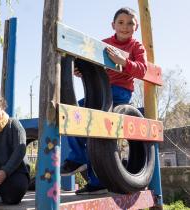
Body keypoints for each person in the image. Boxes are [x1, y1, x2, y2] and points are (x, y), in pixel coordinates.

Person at [61, 7, 147, 195]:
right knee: (75, 112)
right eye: (121, 22)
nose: (125, 27)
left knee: (94, 122)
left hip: (119, 93)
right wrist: (80, 70)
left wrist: (124, 62)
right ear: (113, 25)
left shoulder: (136, 47)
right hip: (100, 89)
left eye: (130, 23)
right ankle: (85, 165)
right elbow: (91, 65)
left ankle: (87, 168)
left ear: (136, 27)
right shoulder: (104, 44)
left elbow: (142, 70)